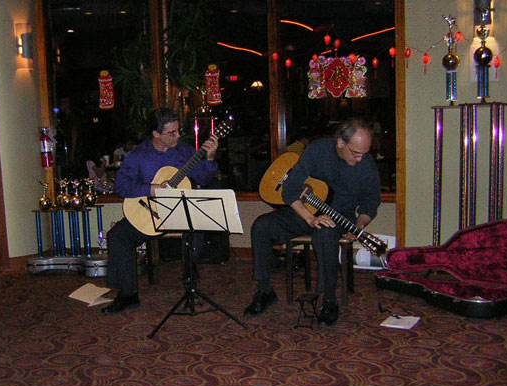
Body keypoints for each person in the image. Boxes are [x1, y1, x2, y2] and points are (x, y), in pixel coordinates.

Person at [244, 117, 381, 326]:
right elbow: (290, 190)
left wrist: (360, 226)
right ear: (341, 143)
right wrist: (310, 217)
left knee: (325, 234)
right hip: (306, 212)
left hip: (340, 215)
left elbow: (370, 203)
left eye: (365, 153)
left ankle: (329, 300)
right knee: (261, 226)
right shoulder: (318, 150)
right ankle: (265, 291)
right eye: (355, 153)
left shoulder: (366, 165)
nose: (360, 158)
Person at [102, 108, 219, 315]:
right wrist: (151, 189)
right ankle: (128, 294)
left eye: (178, 130)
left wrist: (209, 159)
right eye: (171, 133)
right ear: (156, 134)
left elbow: (203, 178)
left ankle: (190, 280)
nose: (178, 136)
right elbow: (121, 186)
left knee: (197, 229)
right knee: (117, 236)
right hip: (149, 212)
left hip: (177, 213)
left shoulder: (184, 152)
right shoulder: (138, 156)